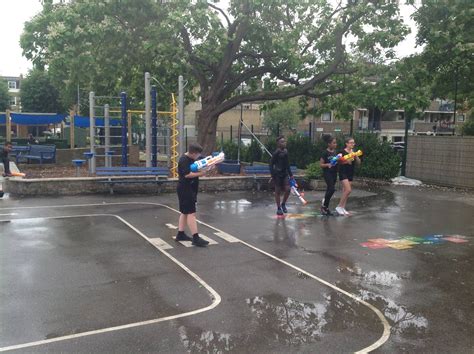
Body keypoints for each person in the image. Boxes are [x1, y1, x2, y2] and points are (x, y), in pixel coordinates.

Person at [176, 143, 212, 247]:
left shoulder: (191, 159)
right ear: (193, 153)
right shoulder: (184, 160)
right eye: (197, 155)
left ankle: (181, 234)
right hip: (185, 189)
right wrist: (202, 174)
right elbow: (187, 174)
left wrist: (207, 167)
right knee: (191, 213)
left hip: (189, 188)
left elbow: (196, 168)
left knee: (184, 212)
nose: (198, 157)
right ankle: (195, 238)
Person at [336, 137, 361, 216]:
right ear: (346, 143)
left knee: (345, 192)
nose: (352, 144)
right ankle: (339, 206)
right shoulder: (342, 152)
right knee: (348, 190)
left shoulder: (354, 152)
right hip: (343, 172)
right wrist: (347, 161)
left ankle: (343, 208)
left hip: (350, 173)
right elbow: (338, 161)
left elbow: (359, 163)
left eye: (353, 143)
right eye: (351, 143)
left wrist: (356, 156)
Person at [269, 136, 293, 216]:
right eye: (282, 142)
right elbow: (271, 164)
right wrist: (273, 175)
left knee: (288, 189)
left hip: (285, 174)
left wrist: (291, 174)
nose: (284, 143)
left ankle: (283, 204)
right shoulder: (276, 153)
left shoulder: (286, 151)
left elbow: (287, 164)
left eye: (284, 141)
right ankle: (279, 208)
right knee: (278, 191)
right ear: (278, 144)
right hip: (277, 174)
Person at [319, 135, 338, 216]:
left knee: (329, 190)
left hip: (334, 173)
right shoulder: (325, 153)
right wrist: (328, 164)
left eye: (335, 143)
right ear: (329, 144)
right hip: (327, 173)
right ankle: (324, 206)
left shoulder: (335, 152)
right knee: (332, 189)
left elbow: (336, 162)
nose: (335, 144)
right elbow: (321, 164)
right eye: (333, 143)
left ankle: (325, 207)